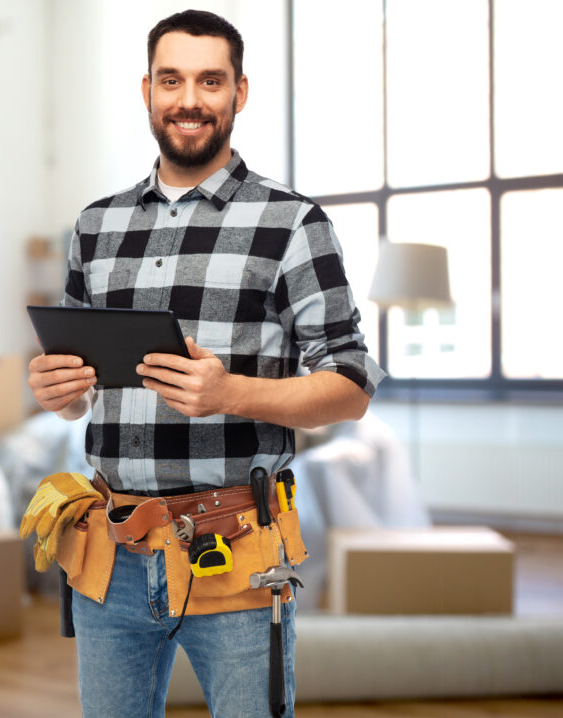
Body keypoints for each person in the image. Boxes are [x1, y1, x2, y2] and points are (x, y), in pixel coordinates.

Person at [22, 9, 385, 718]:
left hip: (238, 557)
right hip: (110, 556)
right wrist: (59, 390)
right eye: (171, 80)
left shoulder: (294, 223)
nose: (189, 100)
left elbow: (351, 385)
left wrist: (231, 393)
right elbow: (78, 390)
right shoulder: (95, 227)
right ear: (147, 91)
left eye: (210, 81)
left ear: (239, 92)